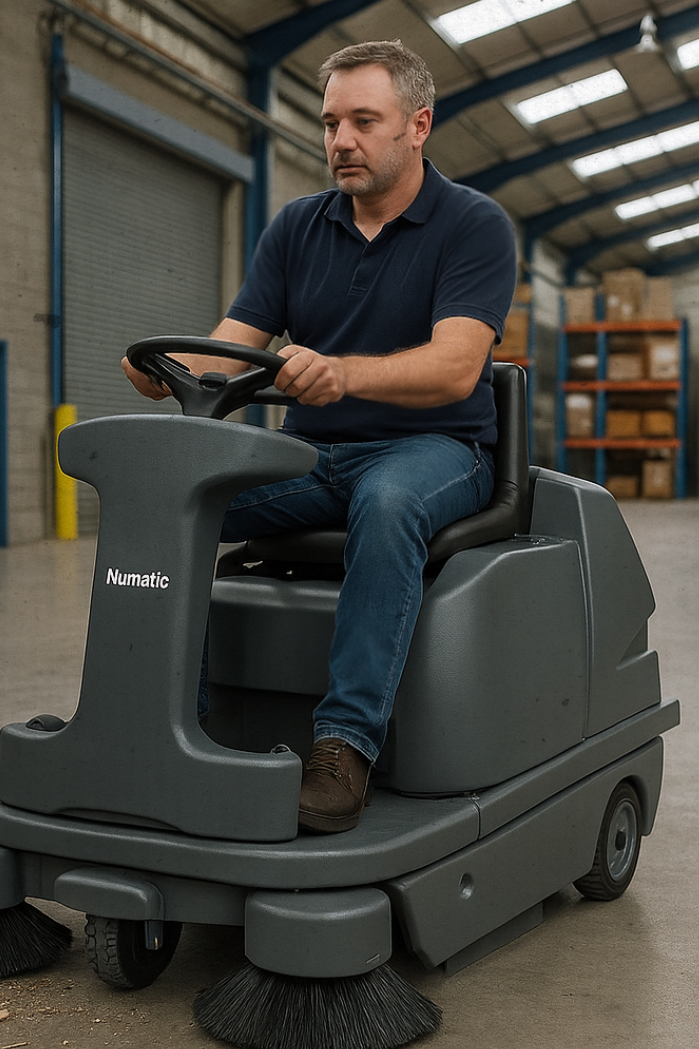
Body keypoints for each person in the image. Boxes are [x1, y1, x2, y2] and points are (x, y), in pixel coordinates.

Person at [123, 40, 517, 834]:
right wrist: (160, 364)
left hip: (438, 452)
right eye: (332, 122)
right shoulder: (299, 227)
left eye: (363, 121)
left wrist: (344, 374)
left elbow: (453, 368)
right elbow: (231, 340)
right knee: (173, 505)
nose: (341, 140)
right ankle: (159, 724)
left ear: (418, 125)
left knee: (389, 500)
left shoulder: (473, 225)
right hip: (314, 456)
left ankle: (343, 748)